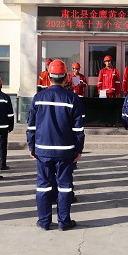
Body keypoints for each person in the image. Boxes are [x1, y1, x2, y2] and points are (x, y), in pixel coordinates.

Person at [27, 59, 84, 231]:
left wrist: (32, 146)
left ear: (49, 77)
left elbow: (31, 126)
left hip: (43, 150)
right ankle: (63, 222)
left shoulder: (38, 98)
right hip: (65, 151)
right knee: (65, 186)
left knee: (43, 185)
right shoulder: (72, 98)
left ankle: (44, 221)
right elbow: (78, 129)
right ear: (66, 77)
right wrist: (78, 149)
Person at [0, 77, 15, 171]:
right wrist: (11, 126)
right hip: (3, 127)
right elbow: (10, 114)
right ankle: (2, 164)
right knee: (2, 147)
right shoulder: (5, 97)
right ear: (1, 85)